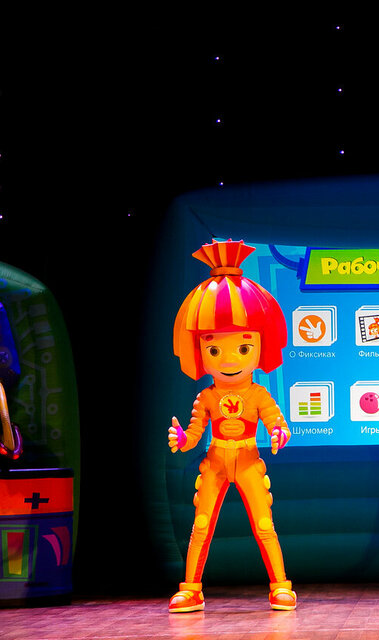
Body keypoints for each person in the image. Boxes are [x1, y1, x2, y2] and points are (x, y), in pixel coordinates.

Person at [166, 239, 295, 612]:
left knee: (264, 525)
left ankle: (280, 585)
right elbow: (194, 435)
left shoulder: (258, 395)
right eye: (214, 349)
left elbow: (277, 423)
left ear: (259, 347)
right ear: (200, 351)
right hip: (216, 461)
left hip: (249, 460)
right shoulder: (206, 397)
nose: (228, 359)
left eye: (242, 347)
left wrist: (278, 433)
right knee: (201, 525)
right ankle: (191, 588)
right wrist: (182, 439)